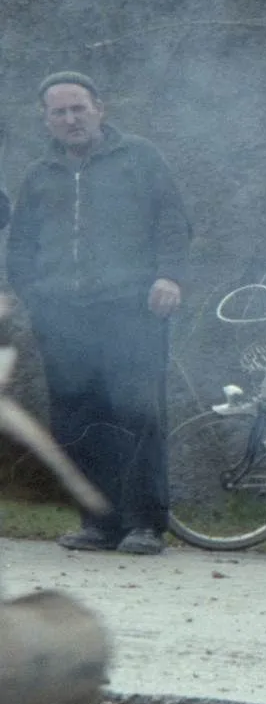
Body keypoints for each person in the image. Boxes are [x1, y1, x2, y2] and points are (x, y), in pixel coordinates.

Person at [9, 71, 190, 556]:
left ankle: (144, 525)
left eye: (78, 109)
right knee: (76, 421)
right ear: (46, 120)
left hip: (131, 311)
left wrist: (170, 276)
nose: (71, 119)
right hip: (63, 320)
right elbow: (20, 246)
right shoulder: (39, 175)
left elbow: (173, 221)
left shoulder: (140, 158)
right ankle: (98, 524)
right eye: (60, 112)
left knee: (137, 413)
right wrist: (37, 296)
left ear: (99, 109)